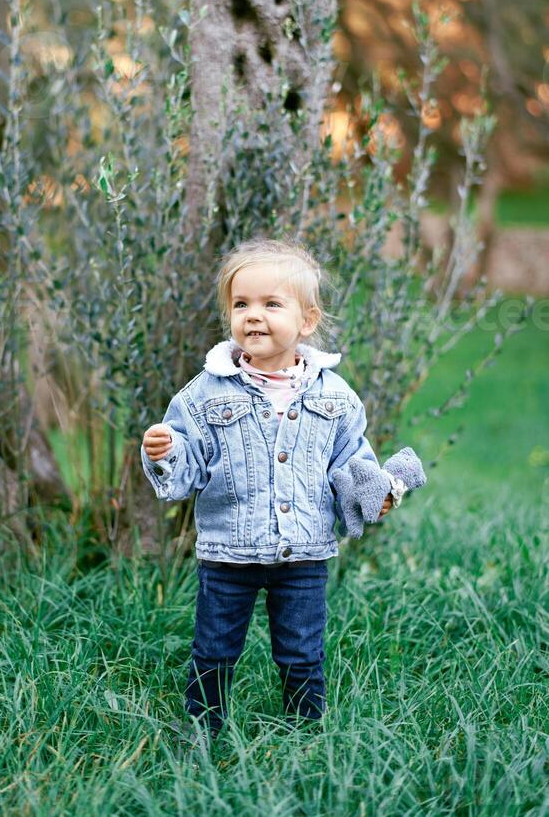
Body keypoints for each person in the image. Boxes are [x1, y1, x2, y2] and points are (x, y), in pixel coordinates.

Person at [141, 237, 426, 744]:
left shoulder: (334, 396)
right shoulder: (204, 393)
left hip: (305, 553)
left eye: (272, 304)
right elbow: (188, 471)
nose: (254, 316)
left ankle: (304, 732)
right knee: (214, 647)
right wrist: (165, 453)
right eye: (241, 304)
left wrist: (373, 493)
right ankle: (203, 731)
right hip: (228, 552)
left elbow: (350, 464)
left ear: (307, 320)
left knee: (301, 649)